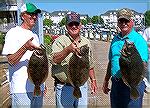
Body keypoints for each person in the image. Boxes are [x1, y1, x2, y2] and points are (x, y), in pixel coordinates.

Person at [102, 8, 148, 108]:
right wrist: (106, 80)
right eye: (121, 21)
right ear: (118, 23)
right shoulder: (115, 39)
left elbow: (143, 64)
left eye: (126, 21)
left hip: (134, 84)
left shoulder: (139, 40)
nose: (123, 23)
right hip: (116, 84)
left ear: (132, 22)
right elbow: (111, 61)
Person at [2, 3, 45, 108]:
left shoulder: (35, 36)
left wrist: (43, 83)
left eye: (35, 14)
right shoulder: (13, 33)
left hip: (37, 87)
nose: (34, 17)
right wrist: (25, 47)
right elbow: (11, 60)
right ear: (22, 15)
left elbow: (39, 63)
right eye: (31, 14)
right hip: (21, 89)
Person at [50, 11, 97, 108]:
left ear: (80, 25)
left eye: (76, 23)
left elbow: (90, 65)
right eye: (71, 24)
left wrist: (93, 80)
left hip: (82, 86)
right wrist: (67, 50)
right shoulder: (60, 40)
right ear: (66, 26)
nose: (74, 26)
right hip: (64, 87)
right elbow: (54, 59)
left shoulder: (86, 42)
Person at [142, 27, 150, 93]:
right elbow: (143, 42)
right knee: (148, 70)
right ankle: (148, 85)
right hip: (148, 54)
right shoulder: (147, 30)